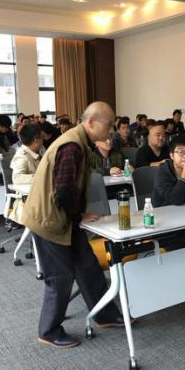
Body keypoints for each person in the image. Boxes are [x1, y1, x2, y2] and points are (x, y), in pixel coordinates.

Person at [21, 101, 124, 349]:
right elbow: (65, 191)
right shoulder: (72, 146)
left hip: (64, 216)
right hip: (49, 220)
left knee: (87, 266)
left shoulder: (80, 142)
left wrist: (77, 216)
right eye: (109, 124)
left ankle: (104, 314)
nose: (111, 130)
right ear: (91, 122)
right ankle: (48, 330)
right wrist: (78, 216)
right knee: (60, 276)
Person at [9, 124, 43, 225]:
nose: (43, 140)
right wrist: (41, 177)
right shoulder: (22, 156)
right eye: (42, 138)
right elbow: (17, 178)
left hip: (37, 194)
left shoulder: (34, 153)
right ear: (36, 140)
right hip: (27, 200)